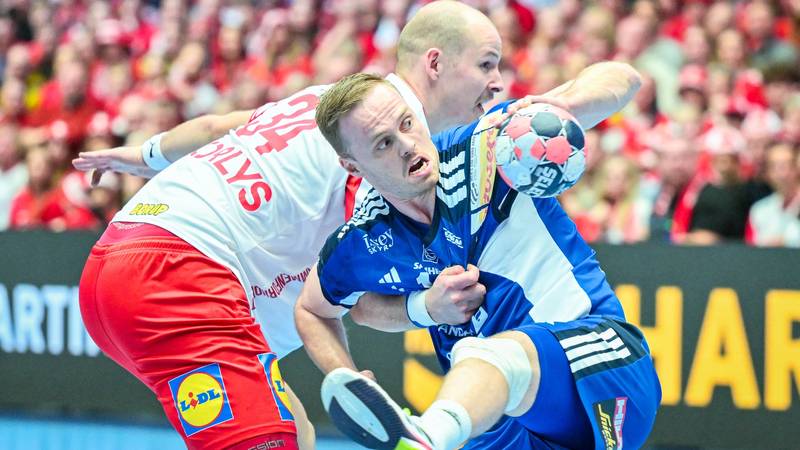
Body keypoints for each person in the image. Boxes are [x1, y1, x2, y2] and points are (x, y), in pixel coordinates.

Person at [73, 2, 511, 449]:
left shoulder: (325, 99)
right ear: (435, 63)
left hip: (118, 255)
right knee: (274, 441)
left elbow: (216, 127)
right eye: (486, 64)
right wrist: (425, 308)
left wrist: (145, 155)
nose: (497, 82)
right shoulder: (381, 158)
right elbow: (359, 302)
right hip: (179, 273)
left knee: (298, 433)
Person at [294, 67, 661, 450]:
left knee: (489, 354)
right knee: (484, 367)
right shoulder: (366, 238)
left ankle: (428, 437)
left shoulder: (488, 147)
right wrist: (420, 312)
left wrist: (564, 104)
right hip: (501, 429)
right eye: (383, 143)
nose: (406, 145)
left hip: (602, 368)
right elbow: (314, 310)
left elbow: (625, 77)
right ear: (352, 167)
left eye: (406, 123)